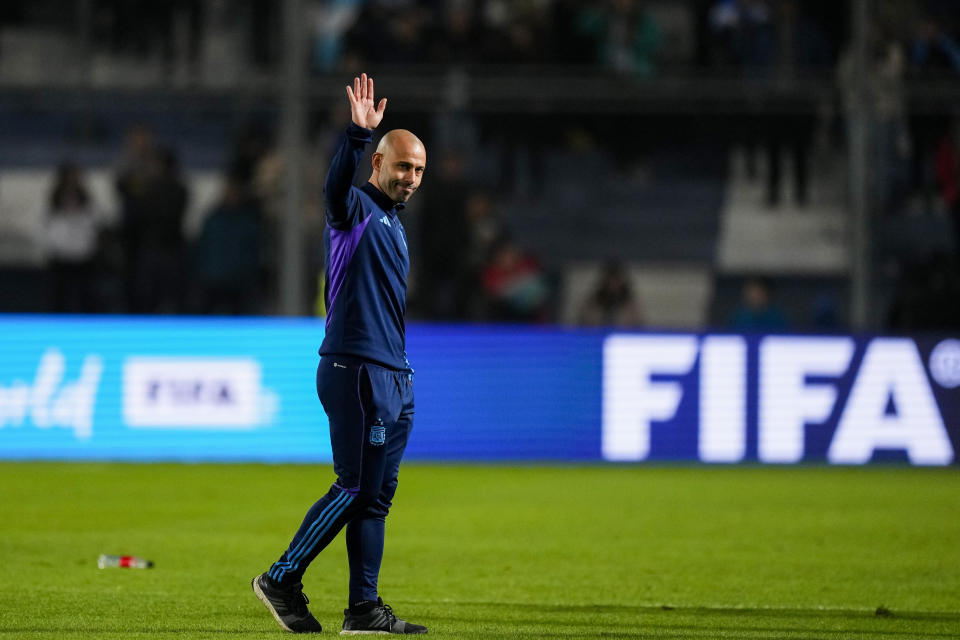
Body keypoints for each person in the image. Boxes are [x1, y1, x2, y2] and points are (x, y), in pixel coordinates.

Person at [251, 73, 427, 635]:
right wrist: (355, 134)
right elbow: (331, 189)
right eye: (403, 166)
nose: (411, 178)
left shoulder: (395, 225)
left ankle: (363, 610)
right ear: (377, 163)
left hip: (393, 375)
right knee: (353, 486)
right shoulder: (351, 211)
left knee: (375, 500)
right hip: (356, 371)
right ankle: (281, 578)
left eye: (418, 170)